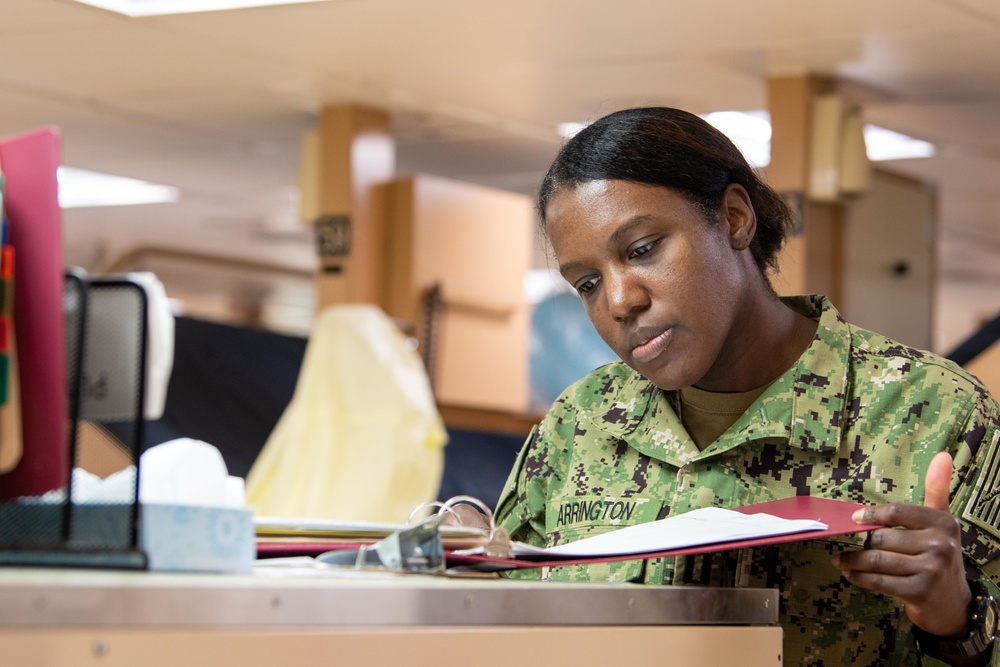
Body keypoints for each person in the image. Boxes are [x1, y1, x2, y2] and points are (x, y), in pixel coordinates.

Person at [493, 107, 1000, 666]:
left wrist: (957, 616)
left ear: (734, 217)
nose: (619, 302)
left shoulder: (936, 414)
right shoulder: (580, 425)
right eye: (587, 283)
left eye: (642, 250)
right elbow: (497, 624)